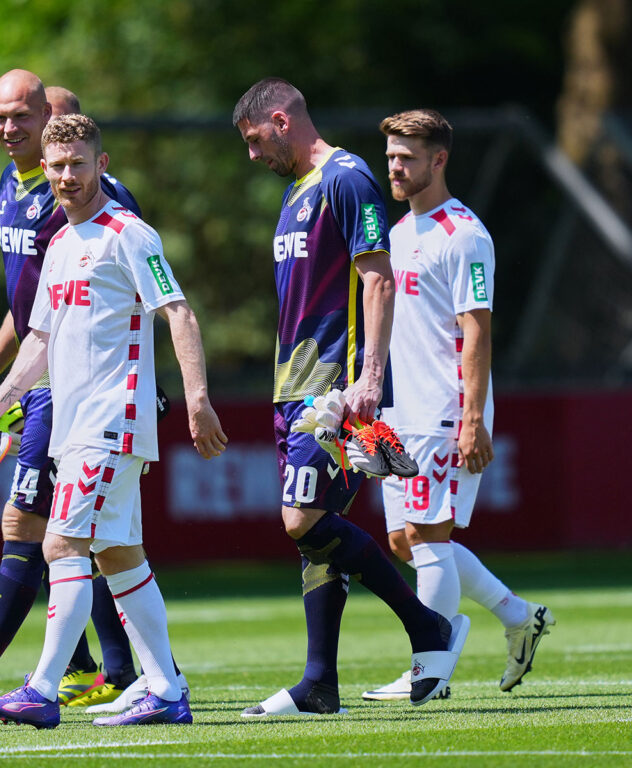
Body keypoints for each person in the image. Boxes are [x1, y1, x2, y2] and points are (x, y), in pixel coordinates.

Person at [0, 71, 170, 711]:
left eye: (23, 116)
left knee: (44, 531)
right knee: (100, 542)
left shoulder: (103, 208)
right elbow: (32, 313)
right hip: (44, 383)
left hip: (88, 392)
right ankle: (143, 678)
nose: (10, 129)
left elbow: (154, 302)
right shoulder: (15, 188)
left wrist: (182, 392)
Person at [0, 113, 226, 729]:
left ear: (101, 165)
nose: (66, 176)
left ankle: (43, 688)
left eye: (78, 164)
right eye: (56, 166)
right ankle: (164, 688)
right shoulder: (58, 243)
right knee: (118, 554)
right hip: (73, 424)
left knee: (60, 543)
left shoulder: (129, 234)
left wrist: (198, 397)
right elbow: (39, 339)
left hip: (114, 417)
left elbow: (178, 312)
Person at [232, 78, 468, 717]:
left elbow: (378, 279)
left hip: (333, 389)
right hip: (292, 388)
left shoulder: (348, 178)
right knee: (311, 535)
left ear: (281, 121)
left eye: (255, 140)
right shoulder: (294, 193)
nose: (253, 155)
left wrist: (367, 381)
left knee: (301, 519)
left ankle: (428, 627)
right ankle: (319, 683)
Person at [363, 109, 555, 701]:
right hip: (399, 412)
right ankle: (519, 616)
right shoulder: (397, 233)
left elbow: (477, 329)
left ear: (439, 159)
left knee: (428, 536)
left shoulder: (465, 235)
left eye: (407, 157)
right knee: (405, 543)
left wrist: (473, 417)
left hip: (445, 411)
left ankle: (430, 667)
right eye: (391, 155)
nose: (395, 166)